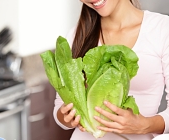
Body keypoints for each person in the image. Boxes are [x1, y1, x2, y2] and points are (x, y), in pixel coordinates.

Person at [53, 0, 169, 139]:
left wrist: (144, 125)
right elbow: (59, 110)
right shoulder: (77, 34)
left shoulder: (162, 28)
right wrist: (67, 118)